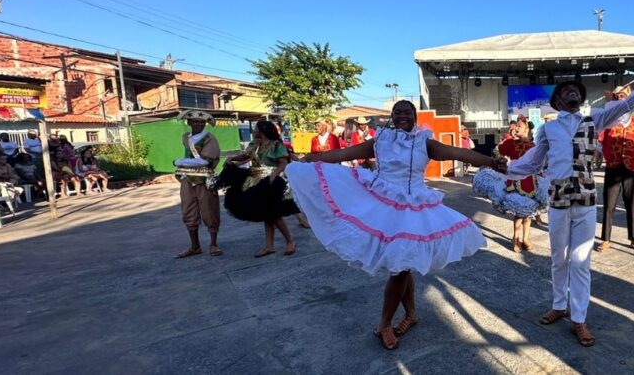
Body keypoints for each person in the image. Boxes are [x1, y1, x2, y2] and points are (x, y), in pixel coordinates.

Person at [287, 100, 505, 351]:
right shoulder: (379, 140)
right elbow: (344, 154)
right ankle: (410, 314)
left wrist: (490, 162)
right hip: (381, 204)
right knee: (403, 266)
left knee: (400, 268)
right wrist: (309, 159)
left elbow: (458, 152)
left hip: (413, 208)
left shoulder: (425, 142)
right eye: (397, 112)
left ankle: (384, 324)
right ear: (391, 116)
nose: (402, 115)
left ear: (415, 116)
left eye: (407, 112)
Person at [505, 64, 634, 348]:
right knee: (559, 258)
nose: (571, 93)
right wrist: (506, 168)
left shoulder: (597, 119)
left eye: (575, 91)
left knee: (581, 262)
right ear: (557, 101)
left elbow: (628, 103)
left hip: (584, 199)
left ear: (580, 99)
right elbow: (534, 161)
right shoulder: (548, 128)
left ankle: (579, 318)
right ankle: (559, 304)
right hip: (557, 198)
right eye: (566, 91)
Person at [218, 121, 299, 258]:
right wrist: (232, 158)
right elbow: (245, 156)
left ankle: (290, 241)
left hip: (270, 184)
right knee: (267, 215)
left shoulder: (276, 145)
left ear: (262, 130)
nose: (254, 131)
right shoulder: (255, 144)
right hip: (255, 182)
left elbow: (283, 163)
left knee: (274, 215)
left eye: (256, 129)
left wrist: (274, 174)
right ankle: (269, 246)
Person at [596, 85, 634, 253]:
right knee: (609, 205)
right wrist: (608, 153)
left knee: (632, 205)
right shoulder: (607, 120)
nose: (621, 98)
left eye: (623, 96)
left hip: (630, 169)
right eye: (618, 96)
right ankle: (606, 239)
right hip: (613, 167)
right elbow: (598, 142)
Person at [173, 109, 223, 258]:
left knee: (210, 210)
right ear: (189, 122)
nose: (198, 124)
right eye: (195, 121)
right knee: (188, 211)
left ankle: (213, 244)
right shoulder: (185, 137)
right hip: (187, 178)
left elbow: (206, 161)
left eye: (201, 122)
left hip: (204, 178)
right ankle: (195, 246)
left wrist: (179, 162)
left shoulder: (209, 138)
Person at [497, 127, 539, 252]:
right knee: (519, 211)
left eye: (519, 127)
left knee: (529, 211)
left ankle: (525, 238)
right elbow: (499, 151)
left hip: (530, 179)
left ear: (526, 129)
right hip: (515, 178)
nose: (516, 129)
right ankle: (516, 238)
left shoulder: (533, 145)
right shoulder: (511, 143)